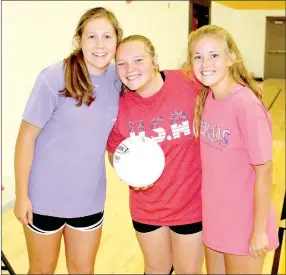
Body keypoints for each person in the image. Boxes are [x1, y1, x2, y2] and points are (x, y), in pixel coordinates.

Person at [13, 7, 123, 274]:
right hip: (43, 199)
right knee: (42, 270)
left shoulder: (119, 80)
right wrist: (21, 195)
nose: (100, 45)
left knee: (83, 270)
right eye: (91, 37)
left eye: (107, 37)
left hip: (89, 199)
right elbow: (26, 138)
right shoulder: (54, 77)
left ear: (117, 40)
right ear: (79, 40)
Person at [184, 25, 279, 274]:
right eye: (198, 56)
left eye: (214, 55)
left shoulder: (246, 106)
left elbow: (265, 171)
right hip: (216, 219)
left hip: (245, 223)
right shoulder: (207, 99)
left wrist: (258, 231)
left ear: (231, 57)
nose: (205, 63)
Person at [107, 35, 204, 275]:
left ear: (154, 60)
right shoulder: (119, 104)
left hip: (190, 203)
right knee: (156, 268)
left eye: (138, 60)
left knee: (187, 271)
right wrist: (129, 174)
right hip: (147, 205)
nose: (130, 70)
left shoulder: (188, 83)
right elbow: (115, 150)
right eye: (121, 63)